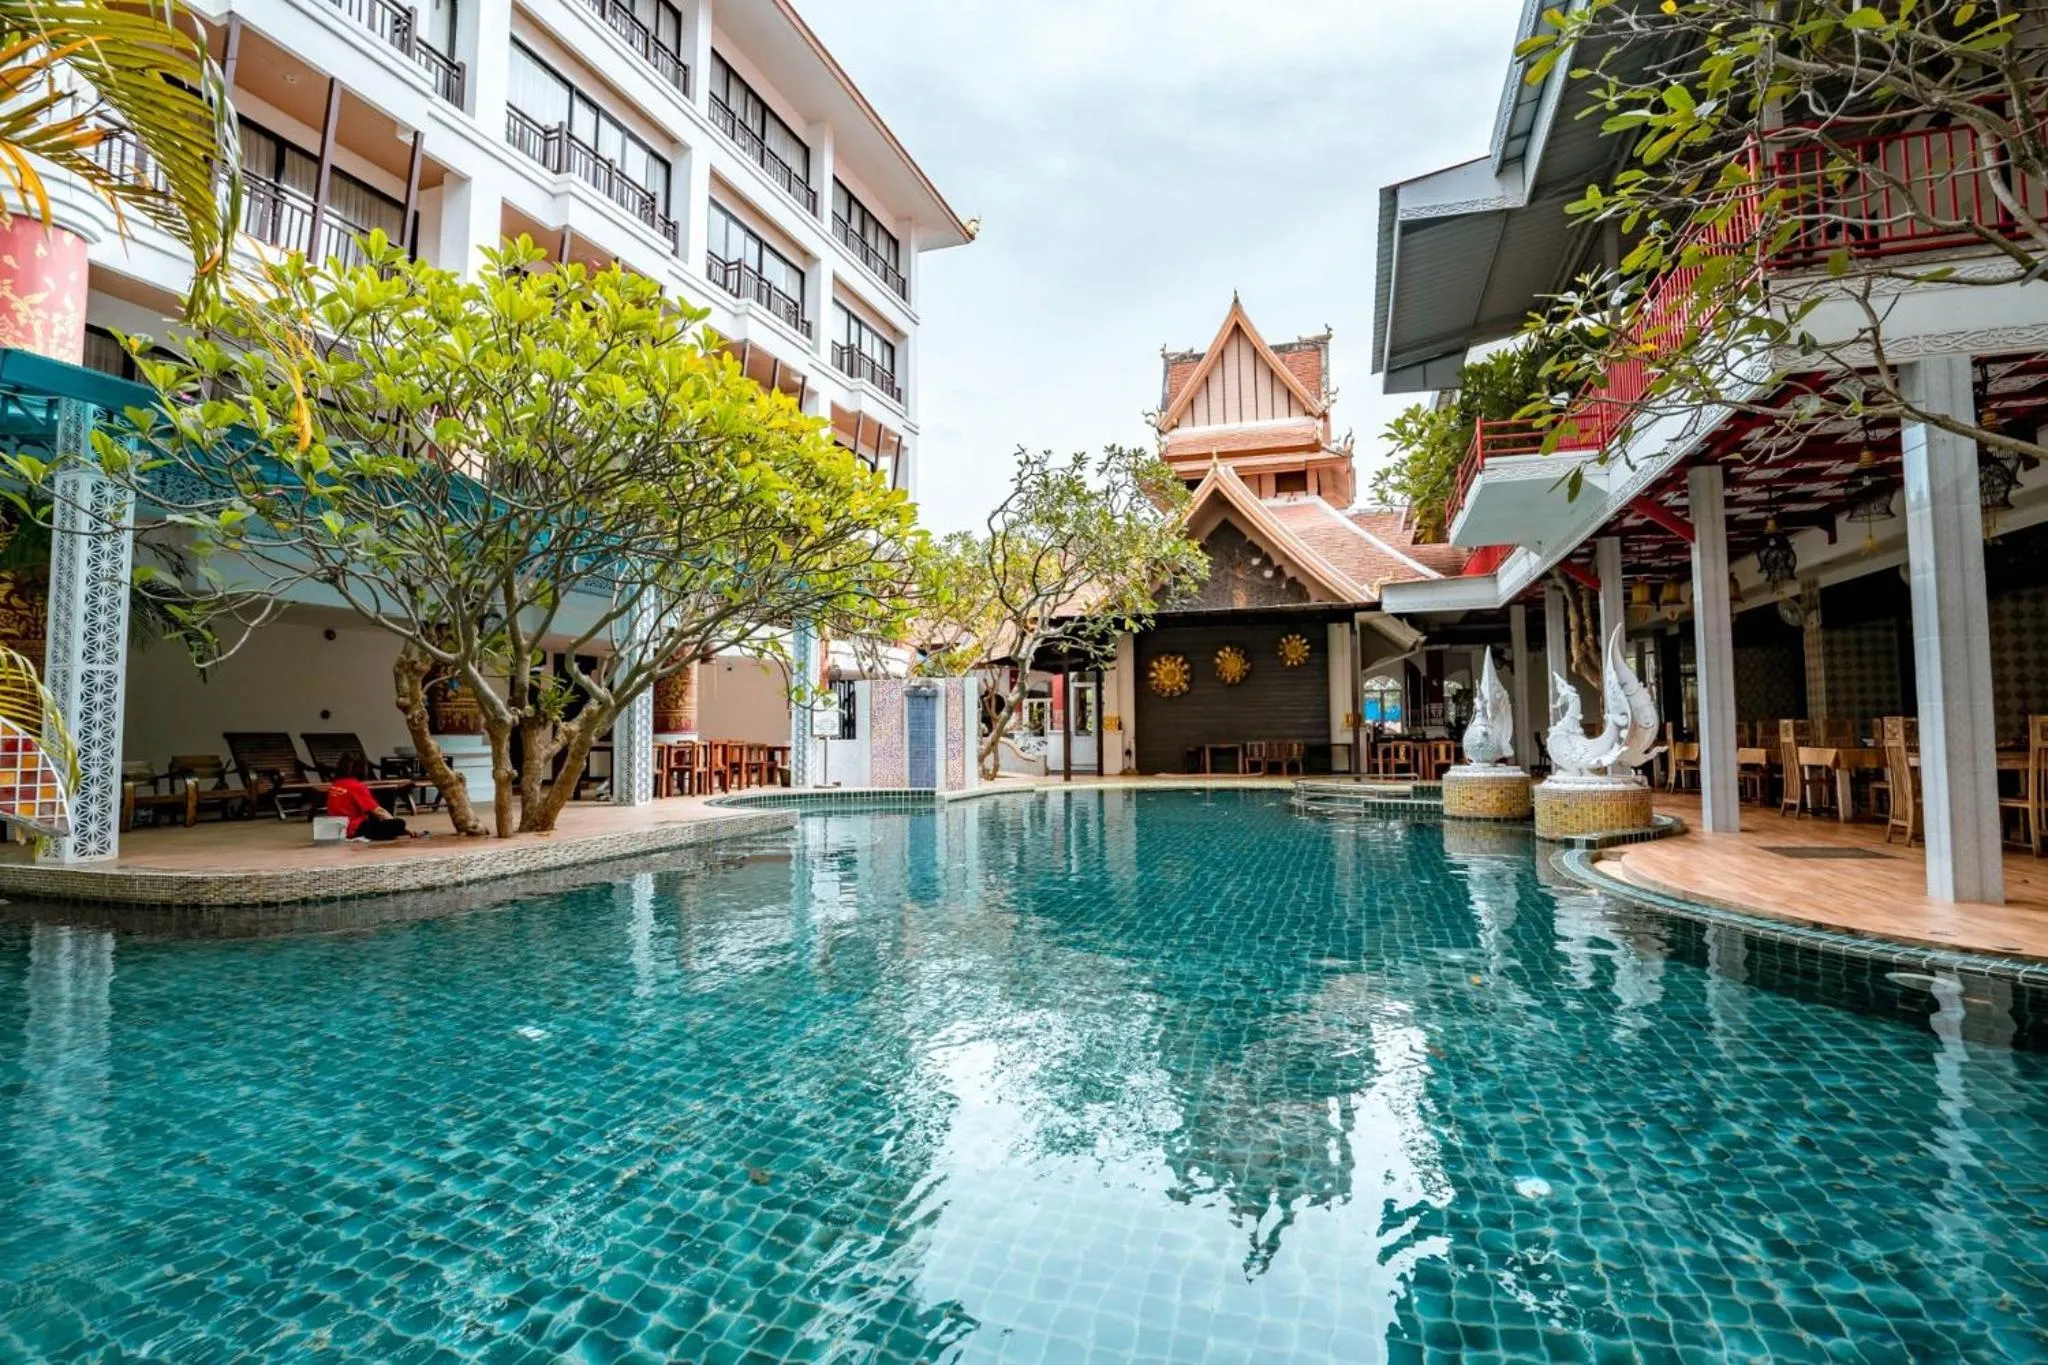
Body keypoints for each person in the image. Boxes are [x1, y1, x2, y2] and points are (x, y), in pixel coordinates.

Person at [326, 757, 425, 842]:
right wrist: (407, 829)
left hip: (337, 827)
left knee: (377, 818)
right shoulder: (356, 786)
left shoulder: (335, 784)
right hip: (353, 829)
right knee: (399, 823)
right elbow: (378, 811)